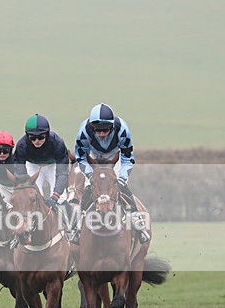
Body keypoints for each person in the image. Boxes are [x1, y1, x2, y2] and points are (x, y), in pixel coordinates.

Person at [74, 102, 148, 243]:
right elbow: (81, 158)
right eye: (97, 130)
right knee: (89, 188)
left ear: (112, 126)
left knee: (120, 187)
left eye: (105, 129)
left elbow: (127, 158)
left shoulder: (122, 130)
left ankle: (138, 221)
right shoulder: (84, 131)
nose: (101, 134)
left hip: (116, 154)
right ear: (91, 126)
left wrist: (121, 179)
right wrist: (90, 175)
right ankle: (76, 226)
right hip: (93, 155)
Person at [12, 114, 70, 207]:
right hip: (32, 166)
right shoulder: (21, 145)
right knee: (33, 196)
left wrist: (55, 196)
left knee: (61, 198)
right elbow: (20, 172)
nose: (37, 141)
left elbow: (62, 172)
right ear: (27, 136)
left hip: (52, 165)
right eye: (33, 138)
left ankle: (71, 221)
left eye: (41, 137)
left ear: (47, 134)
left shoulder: (57, 142)